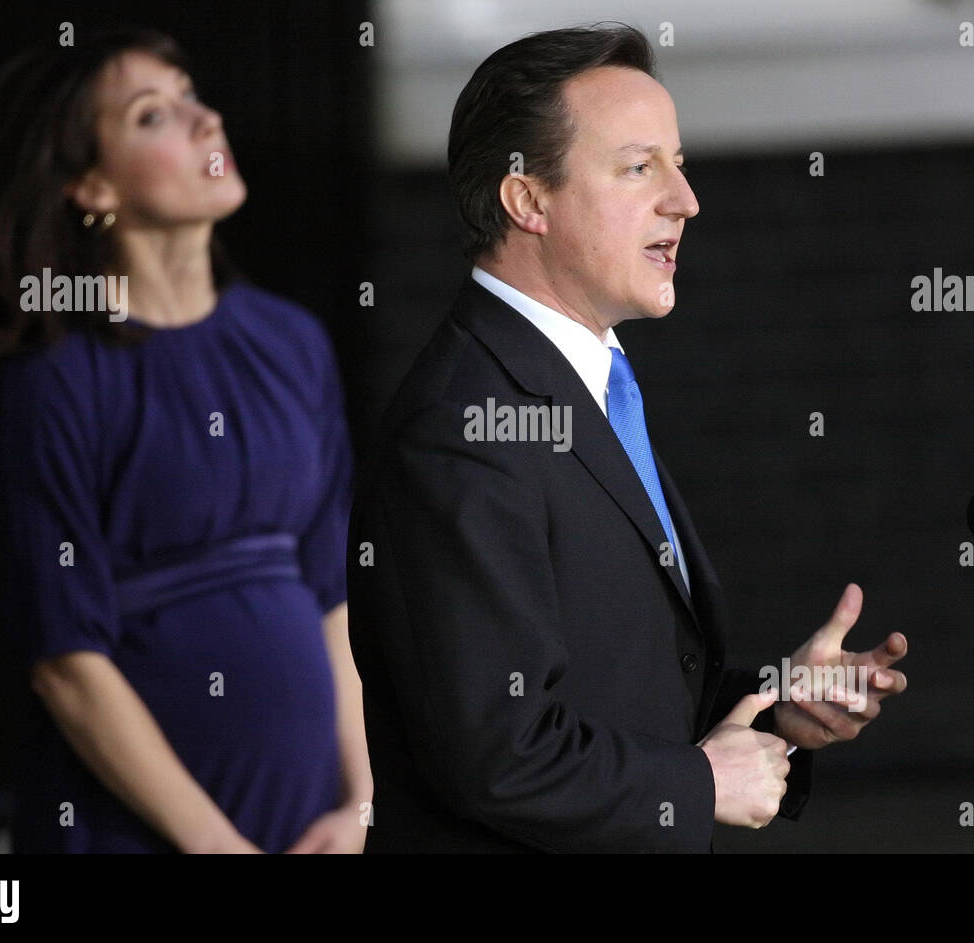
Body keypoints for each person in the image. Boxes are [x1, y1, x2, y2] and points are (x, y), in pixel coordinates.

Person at [347, 24, 909, 853]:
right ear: (526, 200)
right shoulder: (462, 431)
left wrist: (778, 706)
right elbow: (497, 753)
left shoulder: (592, 381)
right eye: (640, 166)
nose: (685, 199)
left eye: (678, 163)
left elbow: (621, 685)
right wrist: (702, 782)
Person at [0, 29, 370, 853]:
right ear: (91, 184)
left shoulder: (292, 341)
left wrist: (362, 803)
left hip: (312, 828)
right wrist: (216, 848)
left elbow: (333, 598)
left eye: (194, 95)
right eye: (152, 115)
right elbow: (65, 659)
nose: (206, 121)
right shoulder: (53, 382)